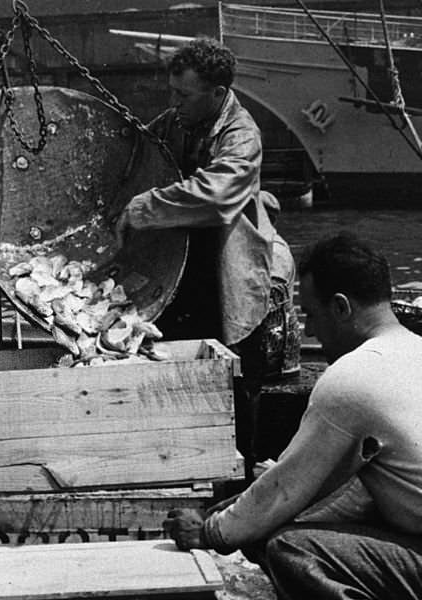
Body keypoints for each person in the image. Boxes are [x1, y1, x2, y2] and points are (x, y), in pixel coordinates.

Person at [163, 233, 422, 600]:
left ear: (342, 307)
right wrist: (235, 514)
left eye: (311, 315)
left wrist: (212, 533)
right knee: (267, 526)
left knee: (291, 550)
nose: (309, 331)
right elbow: (356, 494)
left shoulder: (354, 378)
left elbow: (283, 490)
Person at [113, 37, 298, 462]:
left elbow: (215, 196)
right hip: (179, 271)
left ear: (218, 94)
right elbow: (140, 155)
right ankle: (177, 462)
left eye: (183, 94)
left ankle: (238, 474)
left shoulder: (241, 135)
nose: (173, 102)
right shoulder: (176, 120)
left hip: (227, 270)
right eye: (171, 92)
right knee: (173, 365)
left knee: (233, 379)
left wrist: (143, 206)